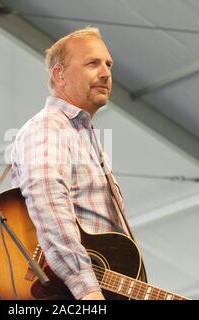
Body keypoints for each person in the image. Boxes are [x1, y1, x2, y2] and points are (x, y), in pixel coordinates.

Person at [10, 27, 144, 300]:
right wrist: (87, 290)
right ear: (59, 75)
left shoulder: (86, 138)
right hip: (71, 292)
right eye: (92, 63)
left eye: (108, 64)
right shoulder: (49, 127)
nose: (106, 73)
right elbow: (47, 198)